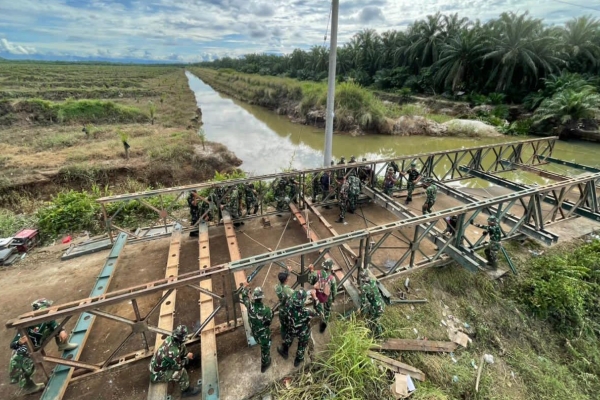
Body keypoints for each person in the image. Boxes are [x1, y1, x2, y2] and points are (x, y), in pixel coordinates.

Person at [149, 325, 201, 397]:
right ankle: (186, 391)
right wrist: (186, 358)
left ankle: (188, 361)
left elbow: (180, 348)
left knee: (182, 347)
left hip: (161, 364)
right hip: (158, 374)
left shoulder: (170, 338)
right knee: (181, 372)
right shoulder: (173, 352)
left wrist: (186, 356)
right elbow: (178, 367)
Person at [10, 299, 78, 353]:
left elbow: (55, 325)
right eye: (47, 308)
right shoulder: (27, 324)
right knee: (22, 359)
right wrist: (19, 342)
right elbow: (12, 345)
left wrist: (61, 331)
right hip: (26, 350)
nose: (49, 309)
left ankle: (63, 345)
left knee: (59, 327)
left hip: (39, 342)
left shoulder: (47, 319)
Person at [277, 290, 318, 367]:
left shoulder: (288, 305)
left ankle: (284, 351)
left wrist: (285, 325)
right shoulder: (307, 312)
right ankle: (298, 360)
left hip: (291, 328)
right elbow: (318, 312)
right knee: (302, 345)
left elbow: (282, 313)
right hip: (303, 331)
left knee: (288, 338)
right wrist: (315, 298)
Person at [240, 285, 273, 373]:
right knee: (265, 349)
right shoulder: (267, 310)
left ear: (253, 297)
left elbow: (244, 296)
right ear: (262, 298)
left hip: (255, 333)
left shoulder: (249, 306)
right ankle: (265, 364)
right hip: (263, 336)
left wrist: (246, 289)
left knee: (261, 341)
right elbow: (269, 322)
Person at [308, 259, 337, 333]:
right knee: (327, 310)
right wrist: (333, 299)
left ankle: (318, 314)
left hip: (317, 295)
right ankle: (324, 321)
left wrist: (311, 271)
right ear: (330, 267)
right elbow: (334, 291)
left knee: (316, 307)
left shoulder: (316, 273)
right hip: (327, 297)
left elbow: (310, 281)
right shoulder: (332, 278)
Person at [358, 270, 385, 338]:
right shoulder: (373, 281)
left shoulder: (364, 287)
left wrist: (361, 311)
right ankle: (380, 330)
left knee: (374, 321)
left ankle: (379, 335)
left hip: (377, 308)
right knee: (376, 319)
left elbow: (363, 301)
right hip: (381, 303)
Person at [275, 267, 294, 342]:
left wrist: (288, 272)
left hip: (281, 309)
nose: (289, 277)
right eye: (288, 276)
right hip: (288, 310)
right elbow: (295, 296)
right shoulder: (288, 291)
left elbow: (282, 279)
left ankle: (283, 337)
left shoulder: (277, 287)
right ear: (286, 280)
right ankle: (289, 338)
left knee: (283, 325)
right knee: (290, 324)